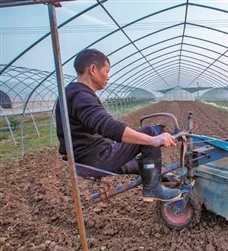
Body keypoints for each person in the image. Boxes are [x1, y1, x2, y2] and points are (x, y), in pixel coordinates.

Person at [55, 48, 181, 202]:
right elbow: (106, 125)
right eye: (107, 71)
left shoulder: (73, 93)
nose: (108, 76)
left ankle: (160, 176)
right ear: (93, 70)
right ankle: (153, 189)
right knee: (149, 132)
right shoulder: (81, 96)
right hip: (93, 159)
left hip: (89, 155)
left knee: (138, 161)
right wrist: (152, 140)